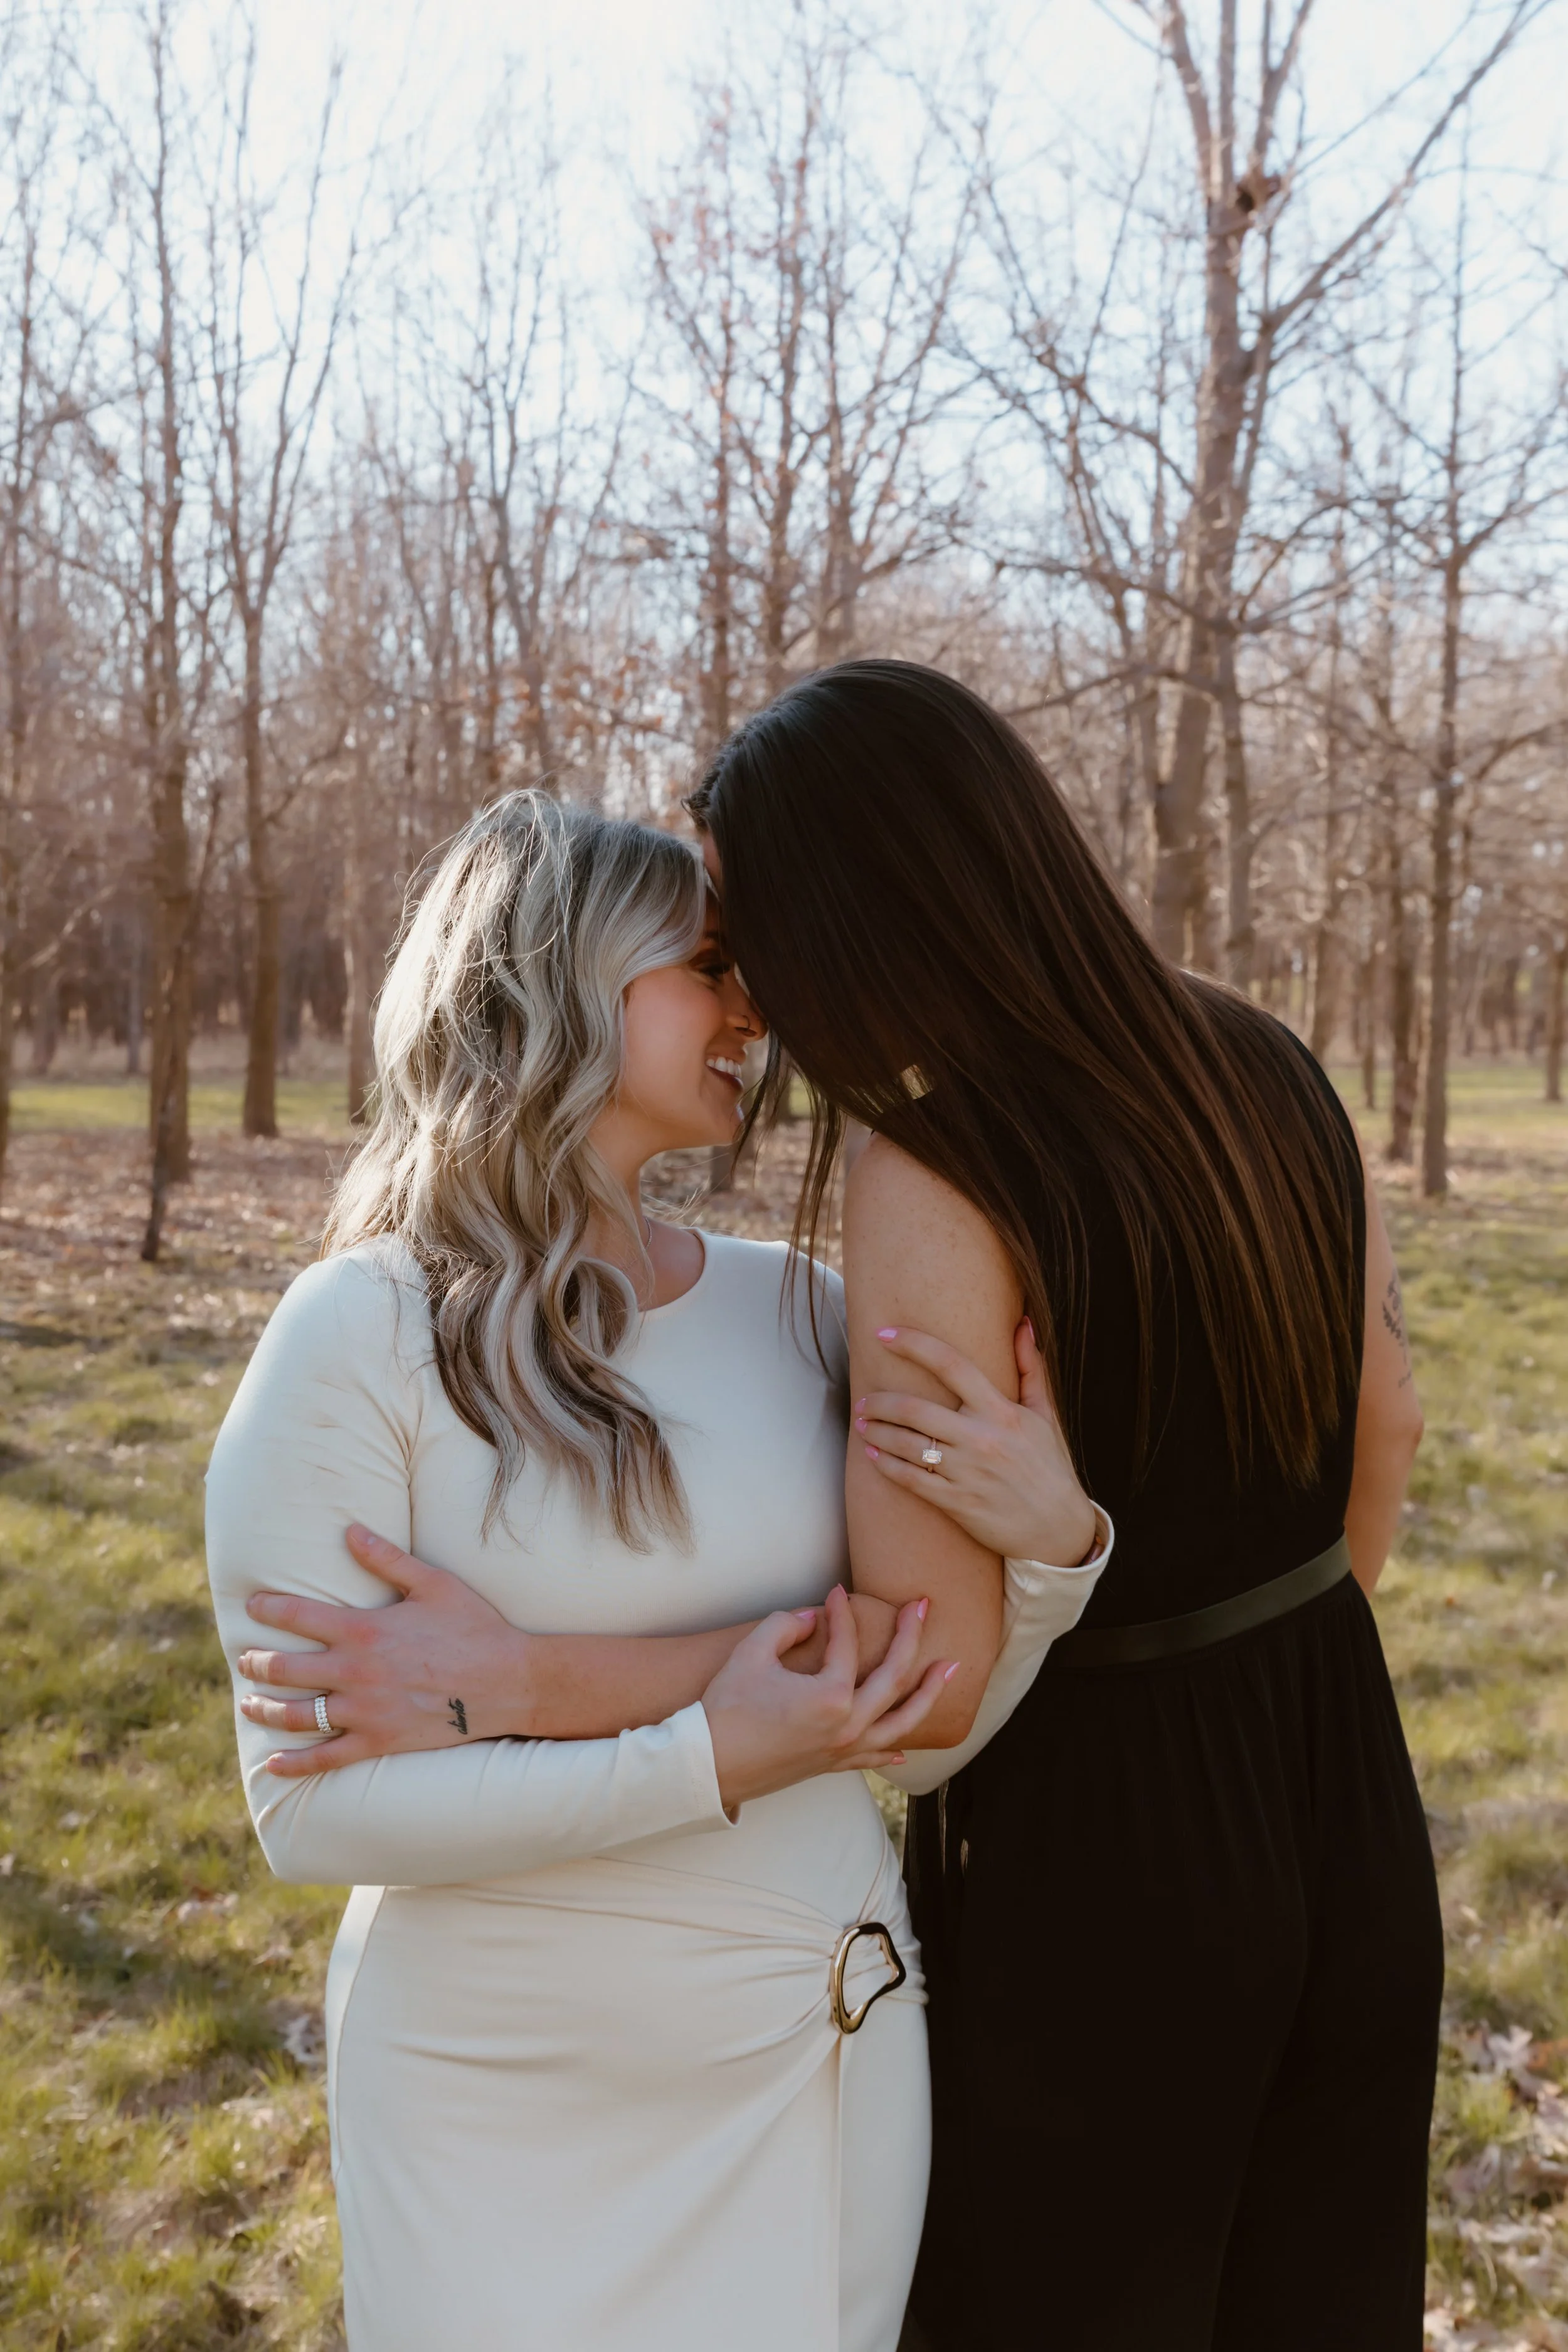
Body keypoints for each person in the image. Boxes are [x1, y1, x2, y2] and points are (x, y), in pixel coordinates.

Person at [208, 789, 1111, 2352]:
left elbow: (922, 1711)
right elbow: (314, 1810)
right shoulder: (356, 1336)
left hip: (811, 2050)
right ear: (561, 984)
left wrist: (1052, 1557)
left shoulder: (810, 1311)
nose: (754, 1011)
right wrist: (712, 1754)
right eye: (705, 964)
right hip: (498, 2092)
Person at [685, 659, 1443, 2352]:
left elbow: (925, 1695)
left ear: (854, 909)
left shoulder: (932, 1172)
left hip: (1105, 1849)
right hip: (1343, 1778)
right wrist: (1271, 1673)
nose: (748, 989)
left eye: (749, 936)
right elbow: (1383, 1422)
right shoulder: (1265, 1056)